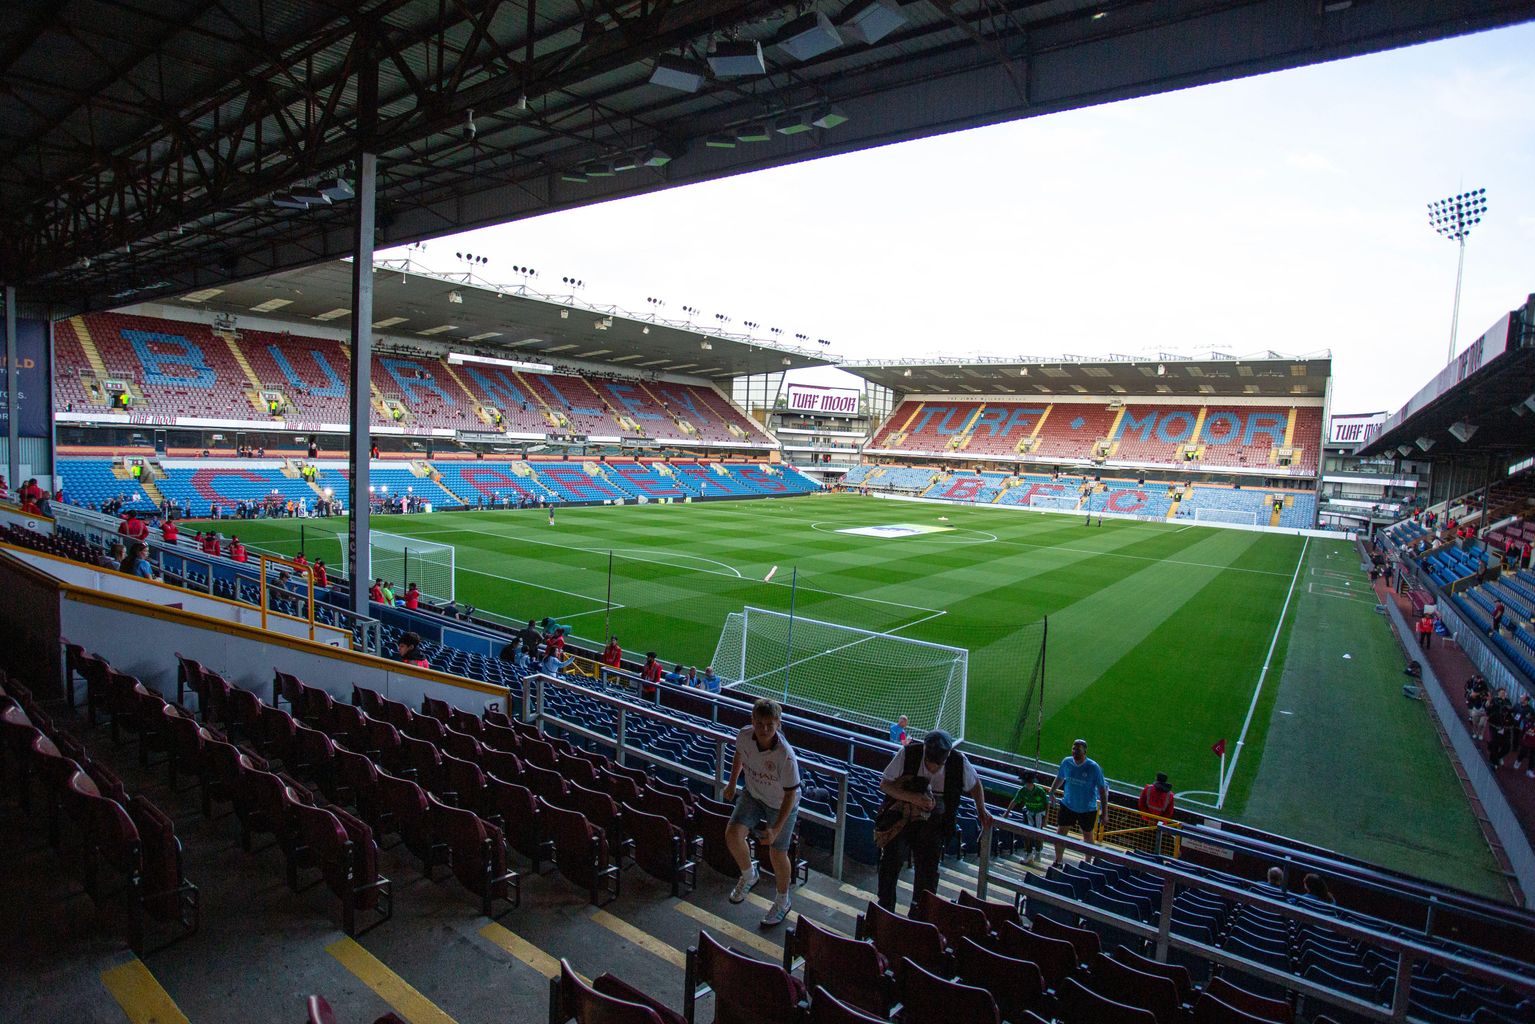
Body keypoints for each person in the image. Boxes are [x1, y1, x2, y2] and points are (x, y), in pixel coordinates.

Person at [876, 729, 990, 915]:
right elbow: (885, 784)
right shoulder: (909, 753)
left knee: (928, 872)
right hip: (903, 817)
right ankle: (884, 911)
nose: (934, 768)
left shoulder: (958, 761)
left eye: (939, 764)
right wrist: (913, 798)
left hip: (936, 824)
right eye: (930, 763)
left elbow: (975, 784)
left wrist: (981, 809)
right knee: (891, 860)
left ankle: (919, 915)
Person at [723, 698, 801, 927]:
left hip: (781, 803)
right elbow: (740, 754)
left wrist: (776, 829)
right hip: (754, 794)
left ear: (778, 723)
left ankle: (783, 900)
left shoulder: (785, 755)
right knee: (732, 834)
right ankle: (749, 875)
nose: (764, 729)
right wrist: (732, 782)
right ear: (752, 721)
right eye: (759, 723)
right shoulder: (744, 735)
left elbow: (790, 795)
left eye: (769, 724)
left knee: (777, 853)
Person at [1049, 738, 1107, 866]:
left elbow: (1102, 790)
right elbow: (1060, 777)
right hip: (1067, 805)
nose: (1074, 751)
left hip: (1087, 809)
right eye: (1073, 748)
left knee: (1088, 836)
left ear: (1085, 751)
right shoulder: (1066, 762)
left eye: (1078, 749)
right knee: (1060, 834)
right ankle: (1058, 860)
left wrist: (1104, 812)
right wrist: (1052, 792)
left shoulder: (1093, 767)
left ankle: (1087, 862)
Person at [1005, 770, 1049, 865]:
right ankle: (1028, 853)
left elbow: (1046, 804)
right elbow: (1015, 801)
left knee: (1038, 834)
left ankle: (1038, 851)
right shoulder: (1022, 791)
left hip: (1039, 815)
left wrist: (1045, 818)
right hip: (1028, 813)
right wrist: (1007, 812)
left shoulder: (1040, 791)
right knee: (1027, 833)